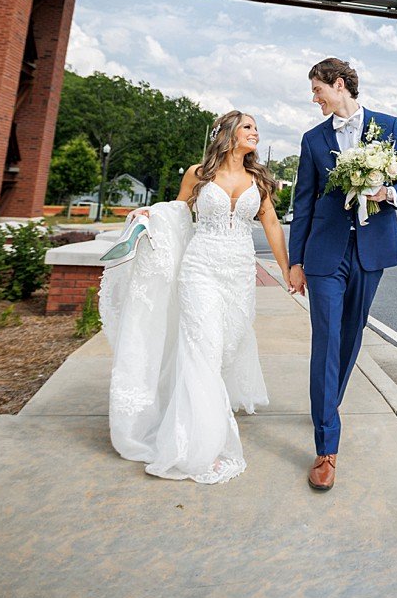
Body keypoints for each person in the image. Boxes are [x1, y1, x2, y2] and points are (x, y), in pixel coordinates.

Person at [99, 110, 295, 484]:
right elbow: (177, 212)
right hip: (200, 269)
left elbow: (270, 223)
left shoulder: (259, 179)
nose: (255, 132)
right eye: (249, 127)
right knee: (201, 350)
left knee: (225, 350)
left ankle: (196, 416)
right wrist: (149, 214)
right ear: (228, 133)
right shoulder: (198, 173)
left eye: (256, 128)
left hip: (239, 273)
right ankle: (198, 443)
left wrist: (286, 270)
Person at [288, 57, 397, 492]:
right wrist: (295, 261)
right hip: (325, 253)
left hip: (371, 250)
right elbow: (303, 202)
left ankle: (327, 403)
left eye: (317, 89)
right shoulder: (312, 140)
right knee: (326, 340)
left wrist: (389, 191)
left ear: (338, 85)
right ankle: (326, 447)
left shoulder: (387, 125)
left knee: (350, 336)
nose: (315, 98)